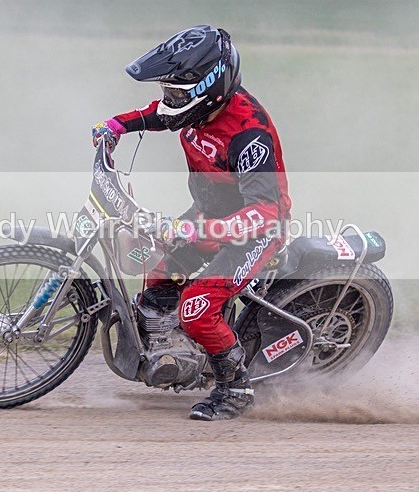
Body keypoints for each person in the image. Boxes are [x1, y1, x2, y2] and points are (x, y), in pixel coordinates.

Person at [92, 25, 291, 421]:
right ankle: (175, 351)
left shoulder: (249, 134)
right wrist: (117, 126)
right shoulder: (198, 107)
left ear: (211, 87)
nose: (169, 102)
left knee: (197, 309)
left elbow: (265, 210)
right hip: (210, 215)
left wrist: (195, 230)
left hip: (255, 232)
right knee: (158, 270)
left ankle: (235, 389)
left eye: (177, 95)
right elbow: (163, 114)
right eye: (169, 92)